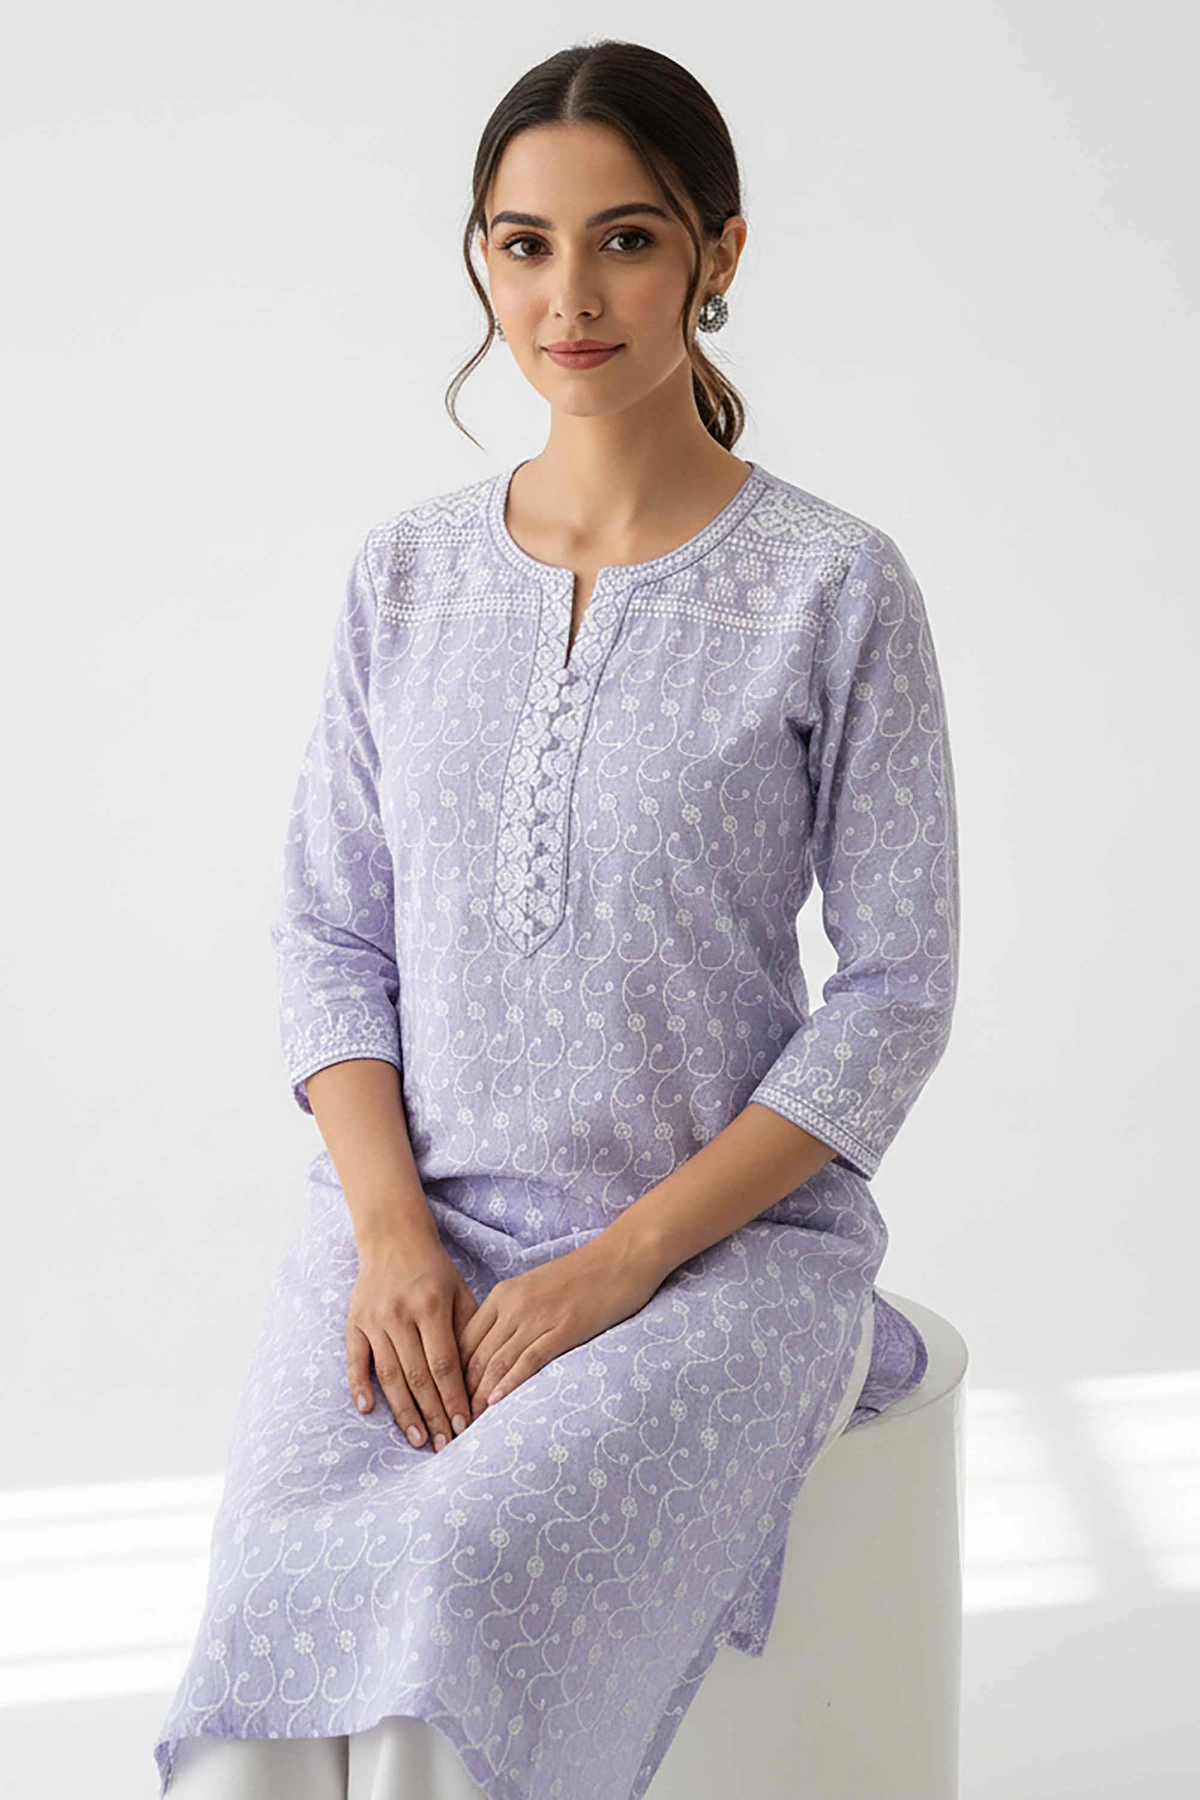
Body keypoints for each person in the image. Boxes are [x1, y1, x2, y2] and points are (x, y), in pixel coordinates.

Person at [153, 35, 959, 1800]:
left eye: (627, 241)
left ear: (718, 253)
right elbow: (328, 934)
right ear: (480, 256)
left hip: (715, 1264)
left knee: (450, 1615)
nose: (568, 297)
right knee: (267, 1650)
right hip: (413, 1234)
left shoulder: (832, 588)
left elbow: (897, 990)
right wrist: (389, 1236)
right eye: (523, 245)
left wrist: (625, 1261)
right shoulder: (408, 574)